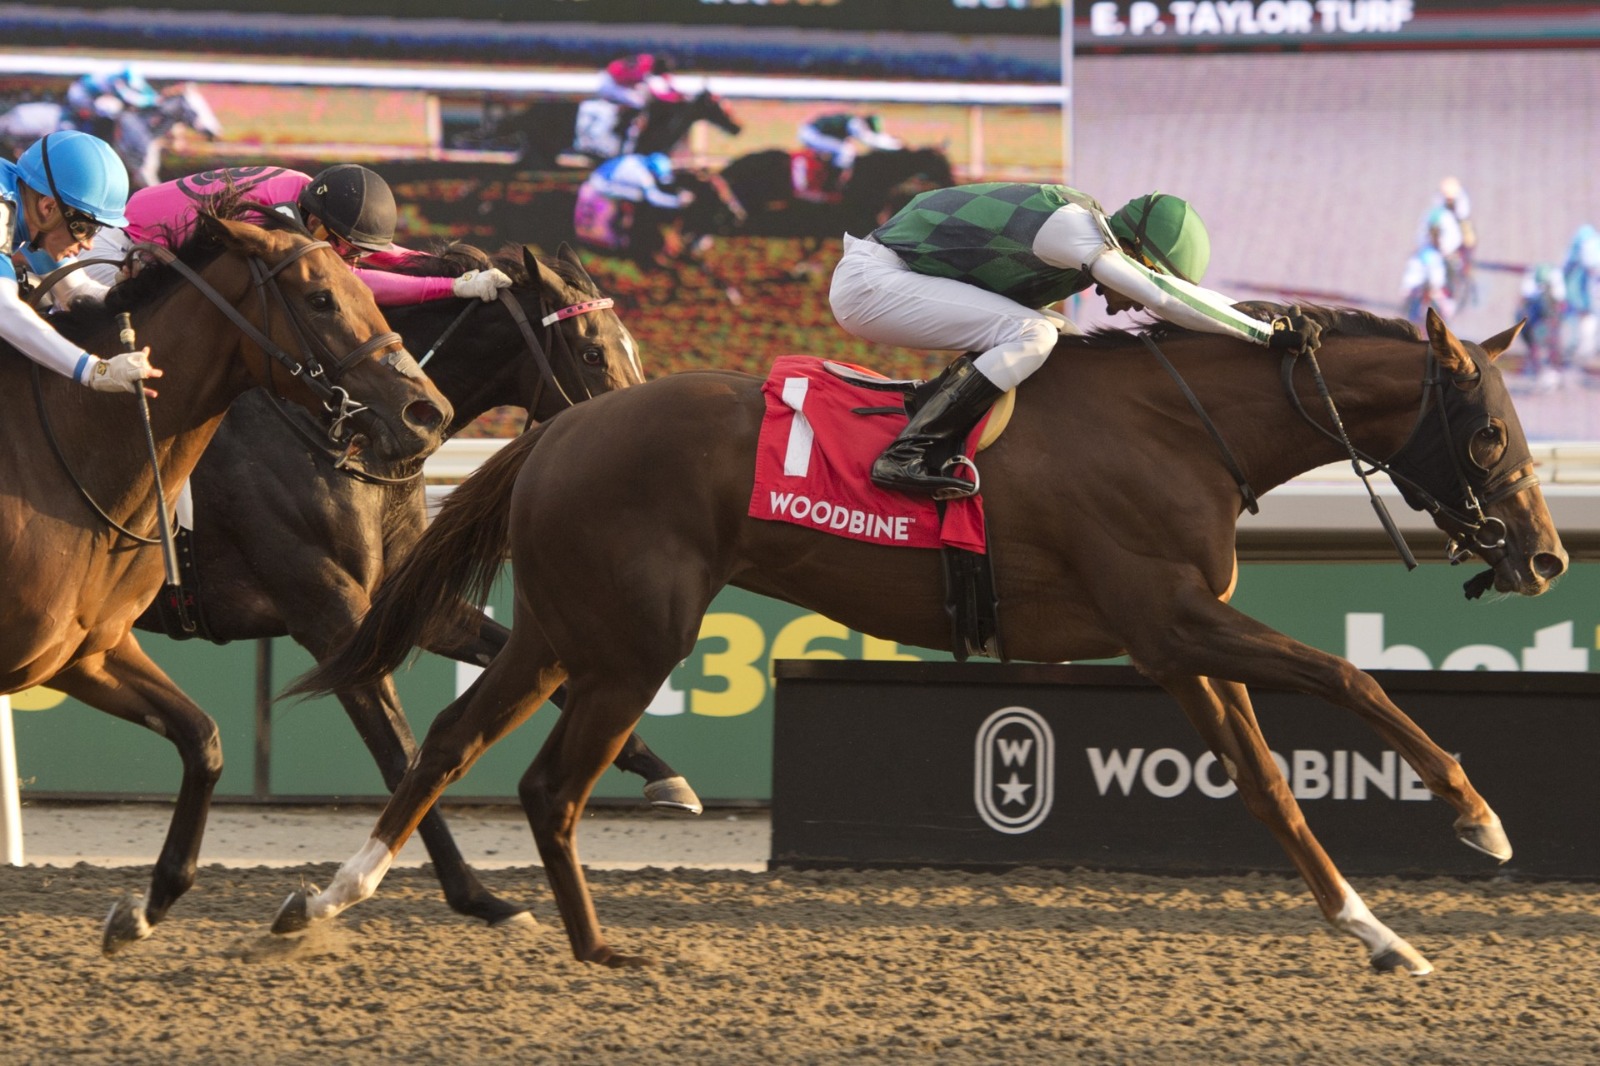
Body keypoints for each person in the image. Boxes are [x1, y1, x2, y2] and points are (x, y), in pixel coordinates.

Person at [829, 184, 1314, 497]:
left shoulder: (1083, 236)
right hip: (872, 283)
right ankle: (906, 453)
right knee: (1034, 332)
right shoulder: (1073, 228)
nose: (1132, 306)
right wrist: (1263, 331)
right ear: (1132, 253)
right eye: (1143, 276)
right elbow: (1162, 296)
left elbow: (1162, 290)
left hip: (896, 276)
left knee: (1071, 344)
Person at [60, 164, 511, 308]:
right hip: (113, 251)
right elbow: (348, 282)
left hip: (146, 245)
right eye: (343, 245)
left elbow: (382, 252)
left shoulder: (306, 191)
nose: (349, 256)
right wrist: (450, 288)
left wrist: (455, 273)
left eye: (354, 250)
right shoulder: (272, 222)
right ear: (316, 223)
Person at [0, 131, 158, 395]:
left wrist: (127, 293)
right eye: (84, 228)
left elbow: (74, 290)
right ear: (49, 208)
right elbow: (5, 311)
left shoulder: (28, 206)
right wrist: (94, 370)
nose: (88, 245)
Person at [573, 152, 692, 264]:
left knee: (637, 199)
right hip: (598, 190)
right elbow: (653, 198)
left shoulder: (637, 161)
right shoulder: (640, 174)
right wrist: (677, 202)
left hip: (603, 185)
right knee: (604, 232)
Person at [796, 112, 901, 197]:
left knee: (845, 149)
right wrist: (894, 145)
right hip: (811, 133)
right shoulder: (856, 123)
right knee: (845, 150)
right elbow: (868, 139)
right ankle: (834, 183)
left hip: (811, 132)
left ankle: (833, 179)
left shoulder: (856, 121)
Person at [64, 65, 160, 142]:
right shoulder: (114, 82)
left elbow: (140, 92)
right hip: (80, 99)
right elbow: (133, 98)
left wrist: (153, 97)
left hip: (89, 97)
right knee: (111, 106)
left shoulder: (120, 79)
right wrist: (152, 100)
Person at [1562, 223, 1600, 369]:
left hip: (1585, 293)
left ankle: (1585, 351)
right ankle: (1583, 353)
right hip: (1582, 293)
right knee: (1585, 319)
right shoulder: (1587, 240)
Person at [596, 54, 683, 112]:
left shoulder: (648, 63)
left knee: (639, 96)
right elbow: (655, 93)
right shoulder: (645, 66)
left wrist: (675, 94)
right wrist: (674, 97)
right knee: (638, 101)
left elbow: (667, 85)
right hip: (610, 83)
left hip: (621, 83)